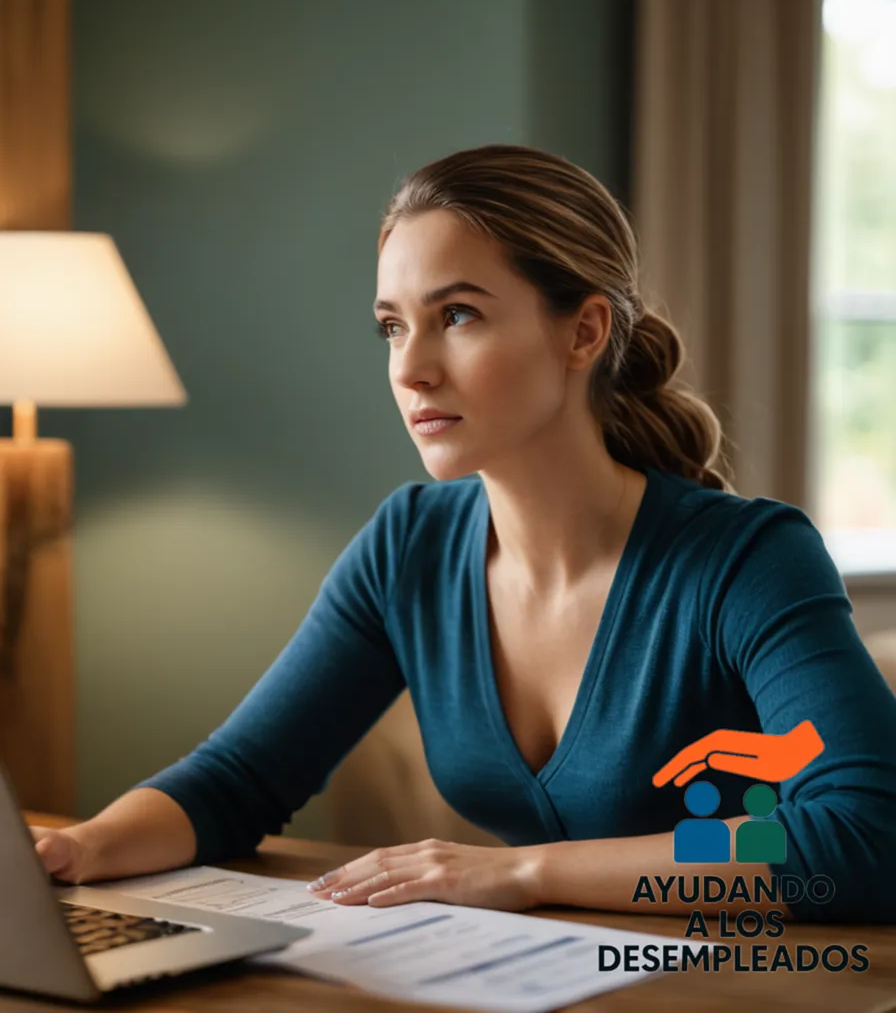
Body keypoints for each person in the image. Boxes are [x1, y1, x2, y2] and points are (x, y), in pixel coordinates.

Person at [30, 144, 896, 923]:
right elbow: (238, 781)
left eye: (458, 315)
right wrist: (80, 848)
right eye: (392, 326)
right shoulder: (408, 546)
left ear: (584, 331)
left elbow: (863, 836)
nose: (410, 368)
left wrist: (525, 873)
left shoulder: (747, 560)